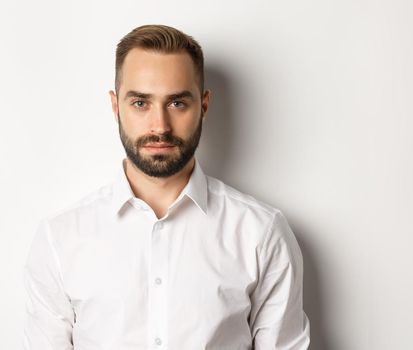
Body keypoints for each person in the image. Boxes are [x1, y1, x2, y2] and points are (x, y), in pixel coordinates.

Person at [22, 24, 310, 349]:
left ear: (203, 105)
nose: (160, 126)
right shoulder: (60, 239)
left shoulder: (261, 233)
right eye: (141, 103)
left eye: (176, 103)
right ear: (116, 106)